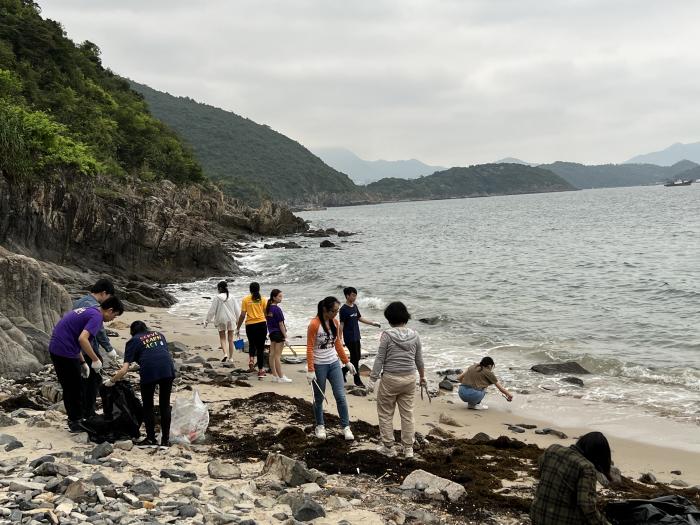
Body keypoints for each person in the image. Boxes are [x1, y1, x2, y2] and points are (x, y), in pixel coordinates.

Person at [48, 296, 124, 432]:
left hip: (58, 347)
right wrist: (95, 359)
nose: (113, 319)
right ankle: (75, 421)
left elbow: (74, 336)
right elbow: (83, 339)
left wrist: (83, 361)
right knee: (74, 387)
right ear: (110, 310)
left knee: (71, 385)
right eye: (115, 316)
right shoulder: (97, 317)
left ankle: (75, 418)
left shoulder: (90, 311)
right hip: (64, 350)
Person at [367, 301, 425, 458]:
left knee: (386, 413)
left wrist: (372, 380)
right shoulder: (415, 335)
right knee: (408, 414)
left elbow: (380, 359)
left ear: (390, 319)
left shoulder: (387, 335)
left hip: (391, 379)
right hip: (410, 379)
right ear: (405, 316)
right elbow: (419, 359)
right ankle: (408, 449)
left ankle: (389, 447)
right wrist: (423, 377)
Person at [105, 321, 176, 447]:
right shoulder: (159, 335)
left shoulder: (133, 341)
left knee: (148, 406)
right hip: (167, 370)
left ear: (132, 332)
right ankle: (165, 440)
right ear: (146, 328)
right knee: (165, 405)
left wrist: (112, 381)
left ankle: (150, 438)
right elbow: (157, 354)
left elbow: (124, 369)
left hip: (149, 372)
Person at [530, 432, 613, 525]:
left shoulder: (552, 449)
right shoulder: (586, 467)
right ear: (596, 454)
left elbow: (541, 468)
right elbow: (586, 504)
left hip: (537, 516)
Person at [306, 296, 356, 441]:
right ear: (325, 310)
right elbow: (309, 347)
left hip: (334, 363)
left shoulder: (334, 322)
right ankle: (320, 425)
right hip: (319, 365)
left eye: (337, 311)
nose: (336, 314)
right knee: (319, 398)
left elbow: (337, 343)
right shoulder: (314, 324)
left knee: (340, 396)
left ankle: (346, 427)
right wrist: (310, 369)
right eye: (334, 311)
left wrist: (346, 362)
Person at [73, 278, 120, 419]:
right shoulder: (94, 306)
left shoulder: (78, 301)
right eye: (109, 298)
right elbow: (99, 330)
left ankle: (79, 413)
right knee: (93, 383)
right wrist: (108, 348)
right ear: (104, 293)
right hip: (87, 348)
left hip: (76, 349)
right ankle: (89, 413)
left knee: (80, 382)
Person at [339, 287, 381, 387]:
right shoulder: (343, 309)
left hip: (357, 336)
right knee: (355, 358)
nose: (354, 297)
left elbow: (359, 318)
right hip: (349, 337)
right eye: (353, 295)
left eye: (355, 295)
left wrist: (372, 323)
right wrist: (340, 338)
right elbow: (341, 325)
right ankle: (357, 380)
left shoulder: (355, 307)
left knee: (356, 357)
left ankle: (343, 370)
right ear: (347, 296)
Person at [236, 282, 268, 377]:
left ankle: (251, 360)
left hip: (250, 325)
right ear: (259, 289)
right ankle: (261, 370)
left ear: (250, 290)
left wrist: (238, 327)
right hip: (261, 324)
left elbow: (242, 315)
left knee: (252, 344)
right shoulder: (263, 299)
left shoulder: (246, 299)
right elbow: (266, 313)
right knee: (260, 347)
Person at [204, 280, 240, 362]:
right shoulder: (232, 297)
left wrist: (207, 321)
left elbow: (212, 310)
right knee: (230, 339)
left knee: (222, 338)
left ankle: (225, 354)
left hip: (221, 319)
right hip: (231, 319)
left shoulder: (217, 297)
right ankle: (231, 358)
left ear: (219, 288)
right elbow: (237, 310)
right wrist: (238, 321)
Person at [266, 289, 290, 383]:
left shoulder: (268, 308)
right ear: (274, 297)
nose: (281, 298)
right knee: (277, 356)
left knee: (272, 355)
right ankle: (281, 377)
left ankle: (275, 376)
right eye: (279, 296)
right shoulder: (277, 309)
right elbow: (281, 324)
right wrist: (285, 336)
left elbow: (268, 322)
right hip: (278, 333)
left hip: (271, 333)